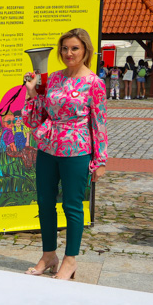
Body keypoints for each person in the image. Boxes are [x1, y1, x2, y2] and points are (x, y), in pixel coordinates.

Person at [22, 28, 108, 281]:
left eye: (74, 48)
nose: (68, 53)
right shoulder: (54, 79)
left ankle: (70, 260)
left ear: (85, 51)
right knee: (45, 204)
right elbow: (37, 118)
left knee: (72, 207)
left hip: (77, 150)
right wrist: (32, 92)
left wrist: (100, 161)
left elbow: (99, 123)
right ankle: (49, 255)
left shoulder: (94, 82)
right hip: (48, 148)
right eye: (65, 48)